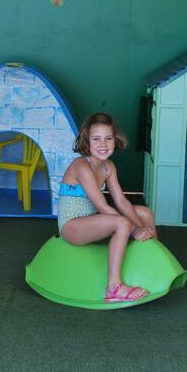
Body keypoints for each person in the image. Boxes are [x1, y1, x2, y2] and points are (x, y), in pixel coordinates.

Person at [57, 113, 157, 303]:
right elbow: (102, 206)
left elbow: (121, 201)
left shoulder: (108, 166)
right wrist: (135, 229)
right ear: (86, 141)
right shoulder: (81, 166)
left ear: (115, 140)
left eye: (108, 138)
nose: (103, 144)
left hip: (91, 220)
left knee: (145, 213)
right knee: (122, 223)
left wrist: (141, 226)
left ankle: (152, 260)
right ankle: (113, 288)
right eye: (96, 139)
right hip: (71, 227)